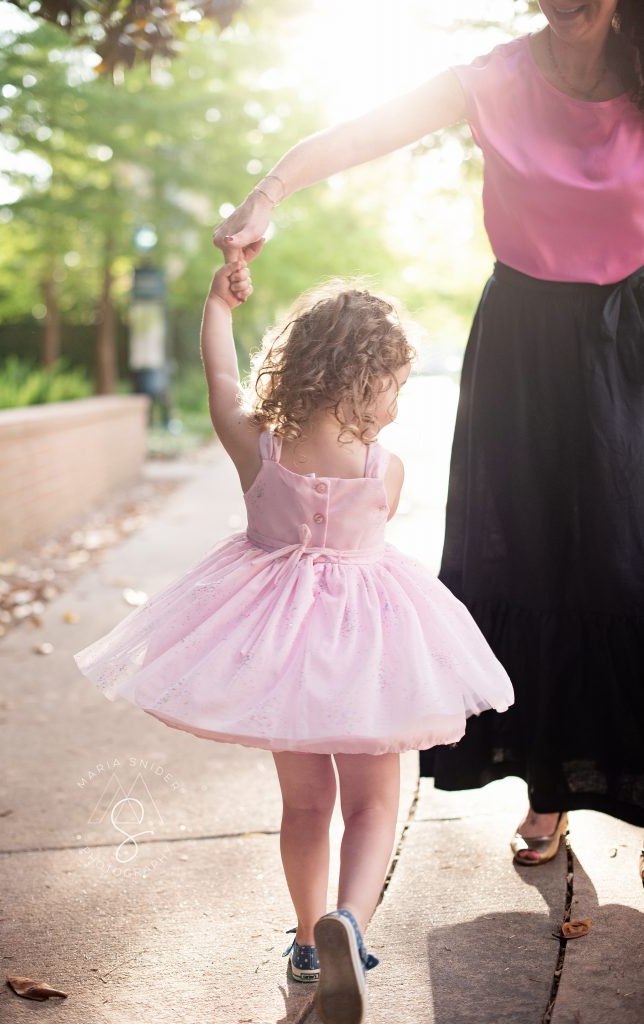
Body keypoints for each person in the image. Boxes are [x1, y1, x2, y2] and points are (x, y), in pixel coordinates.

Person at [212, 0, 644, 878]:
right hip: (524, 344)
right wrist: (268, 192)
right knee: (529, 556)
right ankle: (549, 786)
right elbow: (366, 130)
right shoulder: (495, 78)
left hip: (633, 336)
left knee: (628, 558)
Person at [73, 257, 513, 1023]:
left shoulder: (259, 446)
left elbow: (217, 378)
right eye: (395, 386)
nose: (399, 405)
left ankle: (308, 947)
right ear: (360, 381)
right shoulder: (384, 468)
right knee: (375, 803)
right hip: (370, 649)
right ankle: (351, 924)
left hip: (280, 650)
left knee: (305, 805)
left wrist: (218, 303)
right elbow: (366, 543)